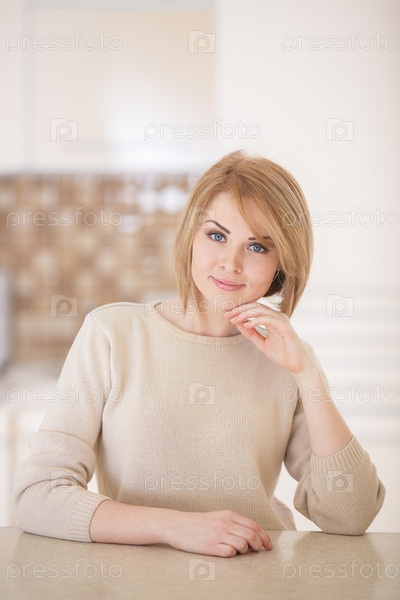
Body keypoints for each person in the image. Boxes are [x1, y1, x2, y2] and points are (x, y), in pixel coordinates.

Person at [13, 150, 385, 558]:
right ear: (190, 235)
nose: (231, 263)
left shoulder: (289, 360)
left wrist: (307, 374)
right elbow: (38, 495)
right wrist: (174, 526)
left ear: (282, 265)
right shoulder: (111, 334)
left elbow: (350, 516)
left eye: (257, 247)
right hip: (136, 582)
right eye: (217, 236)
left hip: (260, 578)